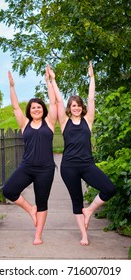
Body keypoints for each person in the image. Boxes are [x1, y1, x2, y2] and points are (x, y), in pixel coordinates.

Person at [47, 62, 116, 245]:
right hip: (69, 166)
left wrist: (92, 78)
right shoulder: (64, 122)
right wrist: (53, 80)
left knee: (109, 189)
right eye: (73, 105)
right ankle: (84, 235)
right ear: (69, 108)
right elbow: (58, 101)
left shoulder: (88, 120)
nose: (76, 107)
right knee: (76, 200)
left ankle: (90, 210)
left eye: (78, 105)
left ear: (82, 107)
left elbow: (92, 98)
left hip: (87, 164)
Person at [3, 65, 57, 245]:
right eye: (33, 108)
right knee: (9, 190)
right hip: (27, 167)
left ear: (43, 109)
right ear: (30, 110)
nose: (36, 109)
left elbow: (54, 102)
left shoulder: (49, 123)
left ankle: (38, 235)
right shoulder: (24, 123)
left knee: (43, 202)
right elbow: (16, 107)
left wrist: (49, 81)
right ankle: (29, 209)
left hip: (45, 170)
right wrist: (12, 87)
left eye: (39, 107)